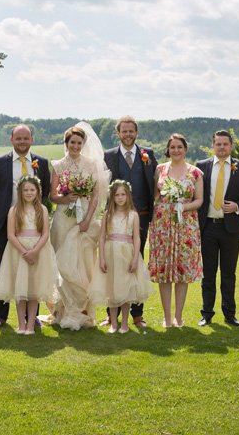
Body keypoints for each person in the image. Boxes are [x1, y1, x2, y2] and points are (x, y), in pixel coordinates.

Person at [0, 124, 51, 328]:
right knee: (4, 268)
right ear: (11, 140)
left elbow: (45, 190)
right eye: (18, 138)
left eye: (26, 138)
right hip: (6, 223)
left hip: (33, 225)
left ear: (32, 139)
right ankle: (0, 317)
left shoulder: (42, 162)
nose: (22, 142)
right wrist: (6, 212)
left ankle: (32, 319)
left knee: (33, 269)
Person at [48, 124, 109, 330]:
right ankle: (61, 311)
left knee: (83, 263)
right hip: (63, 220)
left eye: (79, 143)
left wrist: (87, 220)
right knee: (61, 263)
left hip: (84, 219)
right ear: (66, 144)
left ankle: (83, 311)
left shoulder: (91, 163)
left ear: (83, 144)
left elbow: (95, 195)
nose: (75, 146)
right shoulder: (57, 165)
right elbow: (52, 196)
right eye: (72, 142)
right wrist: (65, 198)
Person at [103, 116, 157, 328]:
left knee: (137, 263)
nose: (127, 135)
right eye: (124, 131)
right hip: (115, 219)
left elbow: (156, 181)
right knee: (114, 263)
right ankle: (111, 314)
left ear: (136, 132)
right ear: (118, 133)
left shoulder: (148, 155)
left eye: (131, 131)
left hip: (141, 215)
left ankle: (137, 314)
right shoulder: (109, 156)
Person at [195, 130, 239, 327]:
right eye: (218, 144)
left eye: (225, 144)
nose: (221, 147)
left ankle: (230, 314)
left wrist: (237, 206)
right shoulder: (201, 167)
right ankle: (207, 314)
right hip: (208, 226)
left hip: (231, 228)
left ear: (231, 146)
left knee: (228, 273)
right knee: (208, 274)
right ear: (213, 146)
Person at [0, 176, 59, 335]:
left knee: (34, 290)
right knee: (20, 289)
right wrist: (24, 252)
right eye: (25, 190)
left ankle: (30, 325)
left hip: (38, 251)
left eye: (32, 190)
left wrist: (34, 251)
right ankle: (21, 325)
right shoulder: (14, 210)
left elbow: (45, 234)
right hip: (18, 252)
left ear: (38, 191)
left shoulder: (42, 209)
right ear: (20, 192)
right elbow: (10, 234)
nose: (29, 193)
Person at [149, 134, 203, 328]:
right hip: (162, 224)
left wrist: (184, 207)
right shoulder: (159, 170)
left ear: (185, 148)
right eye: (172, 147)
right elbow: (154, 195)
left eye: (179, 147)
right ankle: (166, 316)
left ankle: (178, 316)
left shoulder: (195, 172)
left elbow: (199, 200)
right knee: (164, 270)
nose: (176, 150)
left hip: (185, 224)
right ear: (168, 149)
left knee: (182, 270)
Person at [88, 181, 154, 333]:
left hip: (127, 254)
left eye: (123, 194)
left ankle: (124, 323)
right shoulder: (108, 214)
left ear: (128, 195)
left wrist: (136, 258)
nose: (120, 197)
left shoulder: (133, 215)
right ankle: (113, 323)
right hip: (111, 253)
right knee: (112, 288)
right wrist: (102, 258)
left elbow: (137, 238)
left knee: (126, 288)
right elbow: (103, 237)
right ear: (112, 196)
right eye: (117, 195)